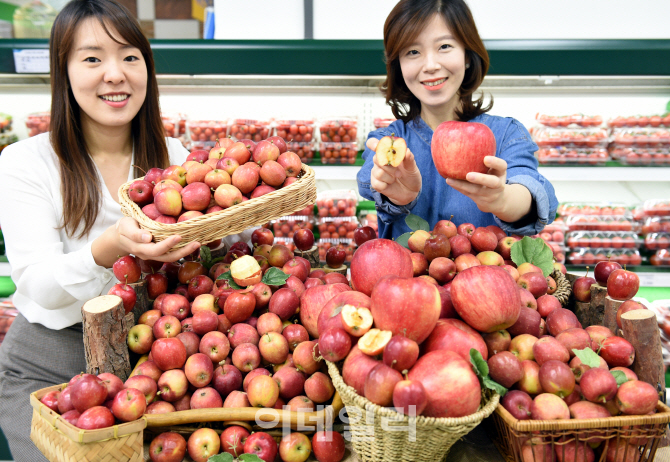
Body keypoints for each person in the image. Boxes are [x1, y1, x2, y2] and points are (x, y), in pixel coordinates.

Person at [0, 1, 237, 459]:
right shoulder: (25, 163)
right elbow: (37, 284)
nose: (115, 74)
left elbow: (202, 258)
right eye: (92, 58)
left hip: (154, 362)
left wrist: (218, 237)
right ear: (63, 71)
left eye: (130, 57)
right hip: (50, 365)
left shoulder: (174, 156)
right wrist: (103, 250)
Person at [358, 0, 558, 239]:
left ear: (466, 54)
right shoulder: (389, 140)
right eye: (413, 52)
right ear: (398, 65)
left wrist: (503, 199)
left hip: (488, 275)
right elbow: (369, 178)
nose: (431, 65)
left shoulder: (506, 133)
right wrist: (398, 195)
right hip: (407, 276)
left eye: (444, 46)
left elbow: (531, 188)